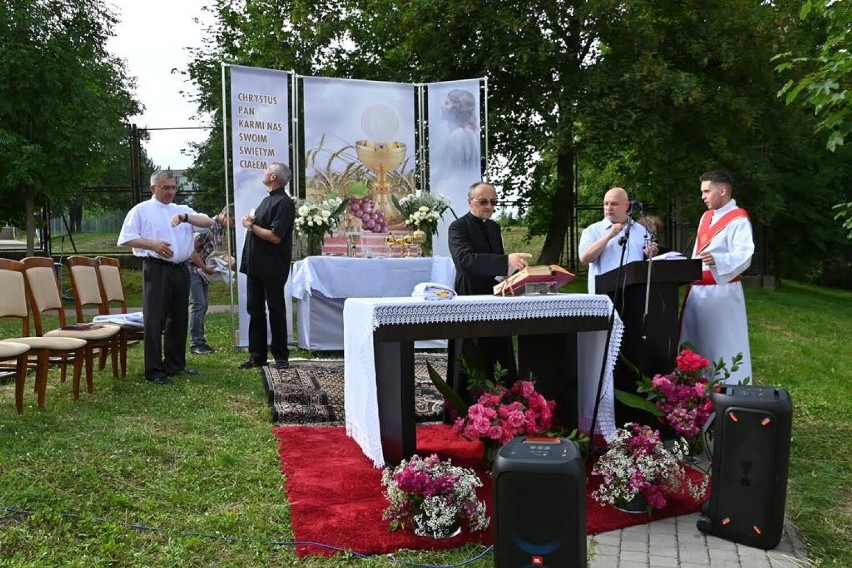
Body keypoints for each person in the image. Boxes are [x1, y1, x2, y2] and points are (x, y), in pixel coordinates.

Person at [118, 169, 213, 385]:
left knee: (178, 318)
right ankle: (153, 369)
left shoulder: (181, 209)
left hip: (181, 269)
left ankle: (175, 364)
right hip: (157, 268)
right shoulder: (141, 210)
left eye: (173, 187)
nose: (171, 192)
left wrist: (185, 217)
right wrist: (153, 244)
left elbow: (208, 222)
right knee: (155, 319)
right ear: (154, 188)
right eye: (166, 188)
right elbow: (126, 239)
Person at [447, 181, 531, 401]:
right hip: (469, 294)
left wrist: (509, 273)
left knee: (496, 346)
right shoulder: (458, 227)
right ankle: (468, 403)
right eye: (483, 201)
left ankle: (502, 402)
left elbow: (496, 261)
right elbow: (465, 260)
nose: (489, 207)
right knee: (472, 350)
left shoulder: (494, 227)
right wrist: (505, 261)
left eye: (493, 202)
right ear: (469, 202)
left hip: (494, 293)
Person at [679, 170, 754, 384]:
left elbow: (744, 254)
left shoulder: (738, 219)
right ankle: (692, 389)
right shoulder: (706, 216)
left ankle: (727, 388)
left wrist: (719, 260)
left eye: (706, 191)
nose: (703, 196)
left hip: (721, 292)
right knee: (696, 341)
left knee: (721, 343)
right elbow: (697, 253)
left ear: (722, 190)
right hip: (697, 291)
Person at [238, 162, 295, 370]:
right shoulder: (267, 200)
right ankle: (257, 355)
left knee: (275, 310)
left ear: (273, 177)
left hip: (272, 265)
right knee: (255, 310)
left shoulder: (284, 203)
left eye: (266, 171)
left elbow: (275, 236)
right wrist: (253, 221)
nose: (263, 173)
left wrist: (251, 226)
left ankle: (281, 356)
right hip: (256, 264)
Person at [578, 187, 659, 294]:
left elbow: (649, 256)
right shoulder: (592, 230)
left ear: (626, 205)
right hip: (604, 294)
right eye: (606, 204)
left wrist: (651, 252)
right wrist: (608, 236)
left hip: (635, 292)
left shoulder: (641, 230)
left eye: (614, 204)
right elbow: (585, 257)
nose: (609, 208)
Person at [188, 203, 235, 355]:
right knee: (198, 304)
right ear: (225, 215)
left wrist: (223, 260)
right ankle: (196, 344)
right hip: (193, 270)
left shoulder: (221, 230)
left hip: (202, 272)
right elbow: (191, 250)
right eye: (233, 221)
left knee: (204, 305)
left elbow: (209, 251)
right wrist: (204, 267)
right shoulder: (208, 226)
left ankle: (200, 340)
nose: (233, 226)